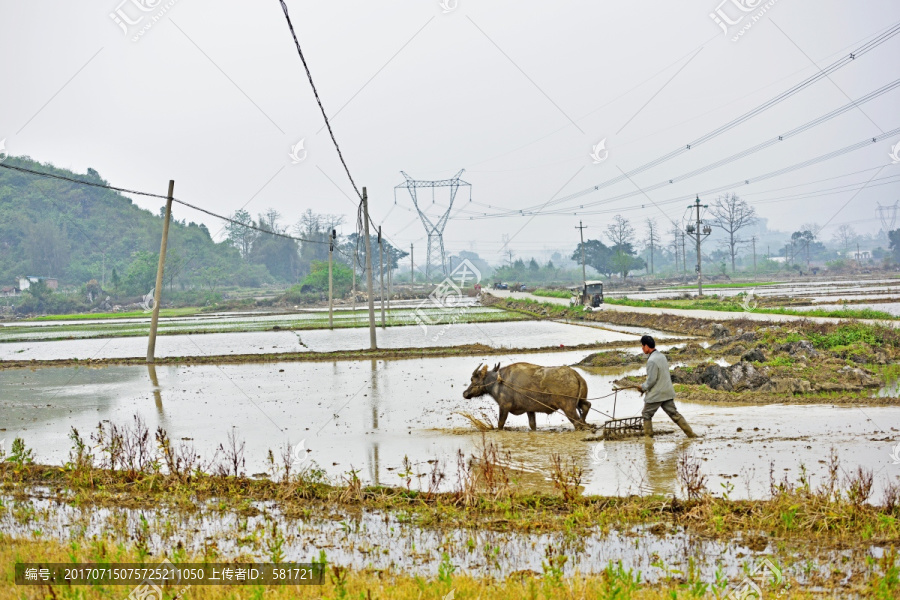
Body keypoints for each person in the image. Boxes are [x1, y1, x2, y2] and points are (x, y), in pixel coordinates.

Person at [638, 335, 697, 438]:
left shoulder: (651, 361)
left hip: (657, 394)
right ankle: (691, 434)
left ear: (647, 346)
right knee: (674, 414)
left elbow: (651, 380)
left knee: (646, 414)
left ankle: (648, 439)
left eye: (642, 346)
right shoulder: (662, 356)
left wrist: (642, 387)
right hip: (667, 392)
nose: (642, 349)